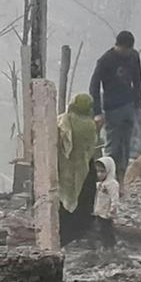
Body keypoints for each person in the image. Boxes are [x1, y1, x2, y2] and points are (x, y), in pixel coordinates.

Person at [89, 31, 141, 182]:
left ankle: (121, 179)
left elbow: (138, 81)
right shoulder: (106, 60)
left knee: (127, 146)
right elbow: (94, 86)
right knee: (112, 147)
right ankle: (107, 180)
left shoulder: (133, 56)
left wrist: (138, 105)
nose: (127, 53)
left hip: (129, 106)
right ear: (118, 46)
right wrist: (97, 112)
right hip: (112, 108)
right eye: (125, 49)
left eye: (129, 50)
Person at [57, 93, 102, 245]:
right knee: (84, 198)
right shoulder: (89, 126)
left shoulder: (63, 120)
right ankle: (80, 231)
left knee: (64, 198)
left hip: (64, 167)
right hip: (84, 167)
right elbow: (90, 147)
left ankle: (62, 233)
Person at [92, 155, 120, 248]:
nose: (99, 174)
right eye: (97, 171)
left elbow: (114, 198)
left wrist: (112, 210)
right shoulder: (99, 184)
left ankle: (110, 246)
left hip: (107, 213)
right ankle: (106, 246)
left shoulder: (112, 184)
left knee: (107, 230)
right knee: (101, 229)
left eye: (102, 171)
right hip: (99, 211)